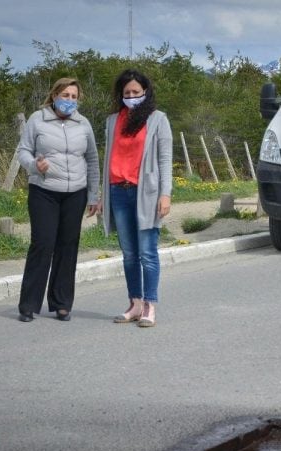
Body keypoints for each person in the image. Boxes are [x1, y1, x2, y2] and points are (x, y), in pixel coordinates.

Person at [16, 77, 100, 322]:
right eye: (65, 95)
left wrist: (94, 194)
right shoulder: (37, 119)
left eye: (74, 97)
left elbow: (93, 159)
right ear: (54, 96)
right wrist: (34, 165)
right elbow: (23, 151)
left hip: (76, 193)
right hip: (44, 191)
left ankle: (62, 303)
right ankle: (29, 305)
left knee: (68, 246)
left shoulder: (83, 123)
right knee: (42, 244)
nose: (69, 101)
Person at [101, 69, 172, 327]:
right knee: (129, 253)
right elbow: (108, 158)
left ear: (145, 92)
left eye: (136, 92)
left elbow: (165, 160)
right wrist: (101, 194)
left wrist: (166, 194)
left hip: (146, 193)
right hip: (118, 191)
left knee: (147, 252)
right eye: (127, 92)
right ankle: (135, 303)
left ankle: (150, 306)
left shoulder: (157, 119)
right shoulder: (112, 121)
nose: (131, 96)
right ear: (121, 94)